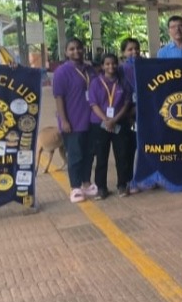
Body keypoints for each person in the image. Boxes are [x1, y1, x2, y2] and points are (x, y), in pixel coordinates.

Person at [53, 38, 97, 203]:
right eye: (71, 49)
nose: (76, 51)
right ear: (66, 52)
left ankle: (86, 183)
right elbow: (58, 97)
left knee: (89, 154)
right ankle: (75, 187)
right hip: (73, 120)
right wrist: (64, 120)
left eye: (79, 48)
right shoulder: (61, 72)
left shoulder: (90, 70)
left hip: (90, 120)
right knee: (75, 155)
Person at [88, 53, 131, 200]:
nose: (110, 66)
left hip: (119, 122)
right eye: (107, 64)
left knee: (122, 155)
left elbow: (126, 104)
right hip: (100, 123)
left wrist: (115, 120)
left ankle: (122, 185)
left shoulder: (122, 82)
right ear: (102, 66)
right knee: (101, 156)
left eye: (113, 63)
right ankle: (101, 188)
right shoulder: (95, 83)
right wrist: (106, 119)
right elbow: (93, 104)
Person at [117, 38, 141, 196]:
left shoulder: (145, 66)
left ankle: (144, 177)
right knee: (128, 149)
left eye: (136, 49)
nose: (134, 52)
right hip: (127, 114)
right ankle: (127, 181)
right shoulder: (119, 70)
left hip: (144, 112)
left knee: (144, 147)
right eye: (130, 49)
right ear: (123, 53)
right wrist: (128, 111)